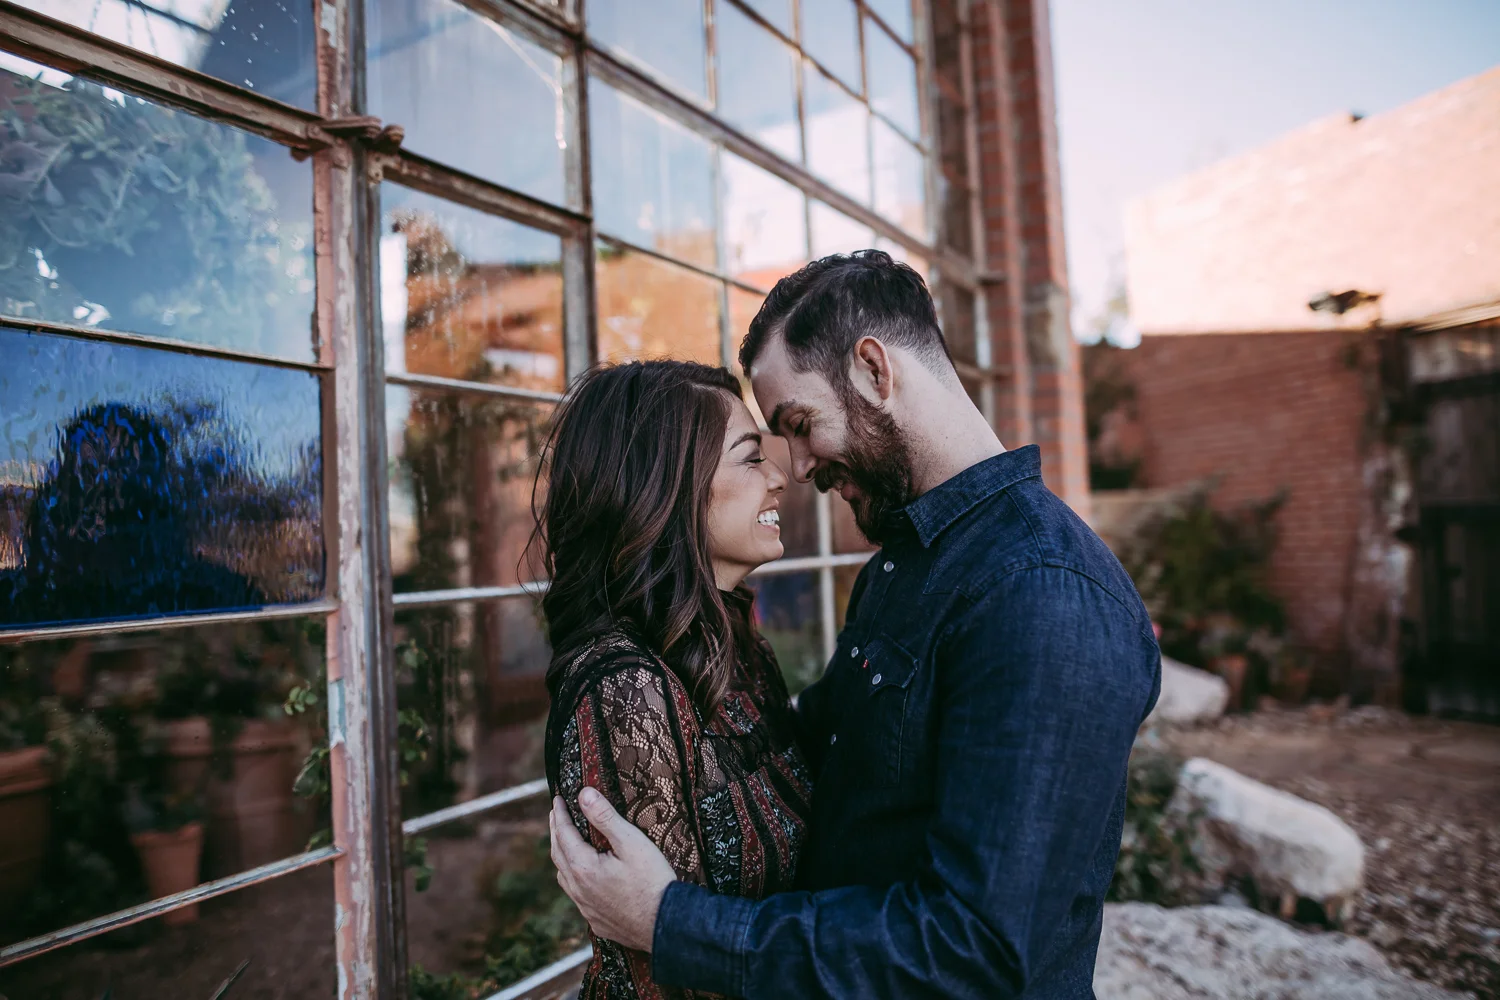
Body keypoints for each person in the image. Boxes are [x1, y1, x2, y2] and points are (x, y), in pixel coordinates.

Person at [549, 251, 1162, 998]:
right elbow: (821, 750)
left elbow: (977, 952)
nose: (797, 467)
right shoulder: (904, 568)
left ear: (875, 371)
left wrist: (670, 922)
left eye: (800, 425)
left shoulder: (1038, 595)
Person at [536, 360, 815, 999]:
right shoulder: (625, 690)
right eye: (751, 458)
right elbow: (663, 974)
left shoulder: (739, 651)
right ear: (669, 486)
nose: (780, 478)